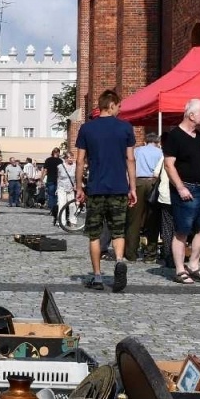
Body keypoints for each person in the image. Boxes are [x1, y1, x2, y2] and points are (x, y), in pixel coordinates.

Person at [74, 90, 136, 292]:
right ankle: (119, 260)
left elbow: (80, 160)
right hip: (119, 187)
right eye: (119, 107)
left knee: (94, 234)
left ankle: (98, 276)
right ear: (112, 105)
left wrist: (78, 187)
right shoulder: (125, 127)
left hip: (96, 188)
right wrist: (132, 187)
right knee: (118, 230)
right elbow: (130, 159)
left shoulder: (87, 128)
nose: (120, 110)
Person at [163, 100, 200, 284]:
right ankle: (179, 269)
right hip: (186, 189)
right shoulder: (175, 136)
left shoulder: (198, 135)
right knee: (182, 231)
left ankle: (193, 264)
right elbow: (169, 165)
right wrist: (180, 187)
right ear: (191, 115)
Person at [127, 130, 164, 262]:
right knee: (153, 219)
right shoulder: (161, 153)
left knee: (134, 220)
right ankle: (151, 253)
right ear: (157, 143)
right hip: (154, 184)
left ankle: (131, 253)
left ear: (145, 141)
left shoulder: (137, 151)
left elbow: (129, 166)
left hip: (138, 183)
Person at [43, 148, 63, 223]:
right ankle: (56, 210)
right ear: (58, 153)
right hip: (58, 180)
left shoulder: (48, 160)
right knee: (57, 196)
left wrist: (41, 179)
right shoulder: (60, 161)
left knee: (51, 196)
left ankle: (52, 210)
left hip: (50, 179)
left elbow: (45, 170)